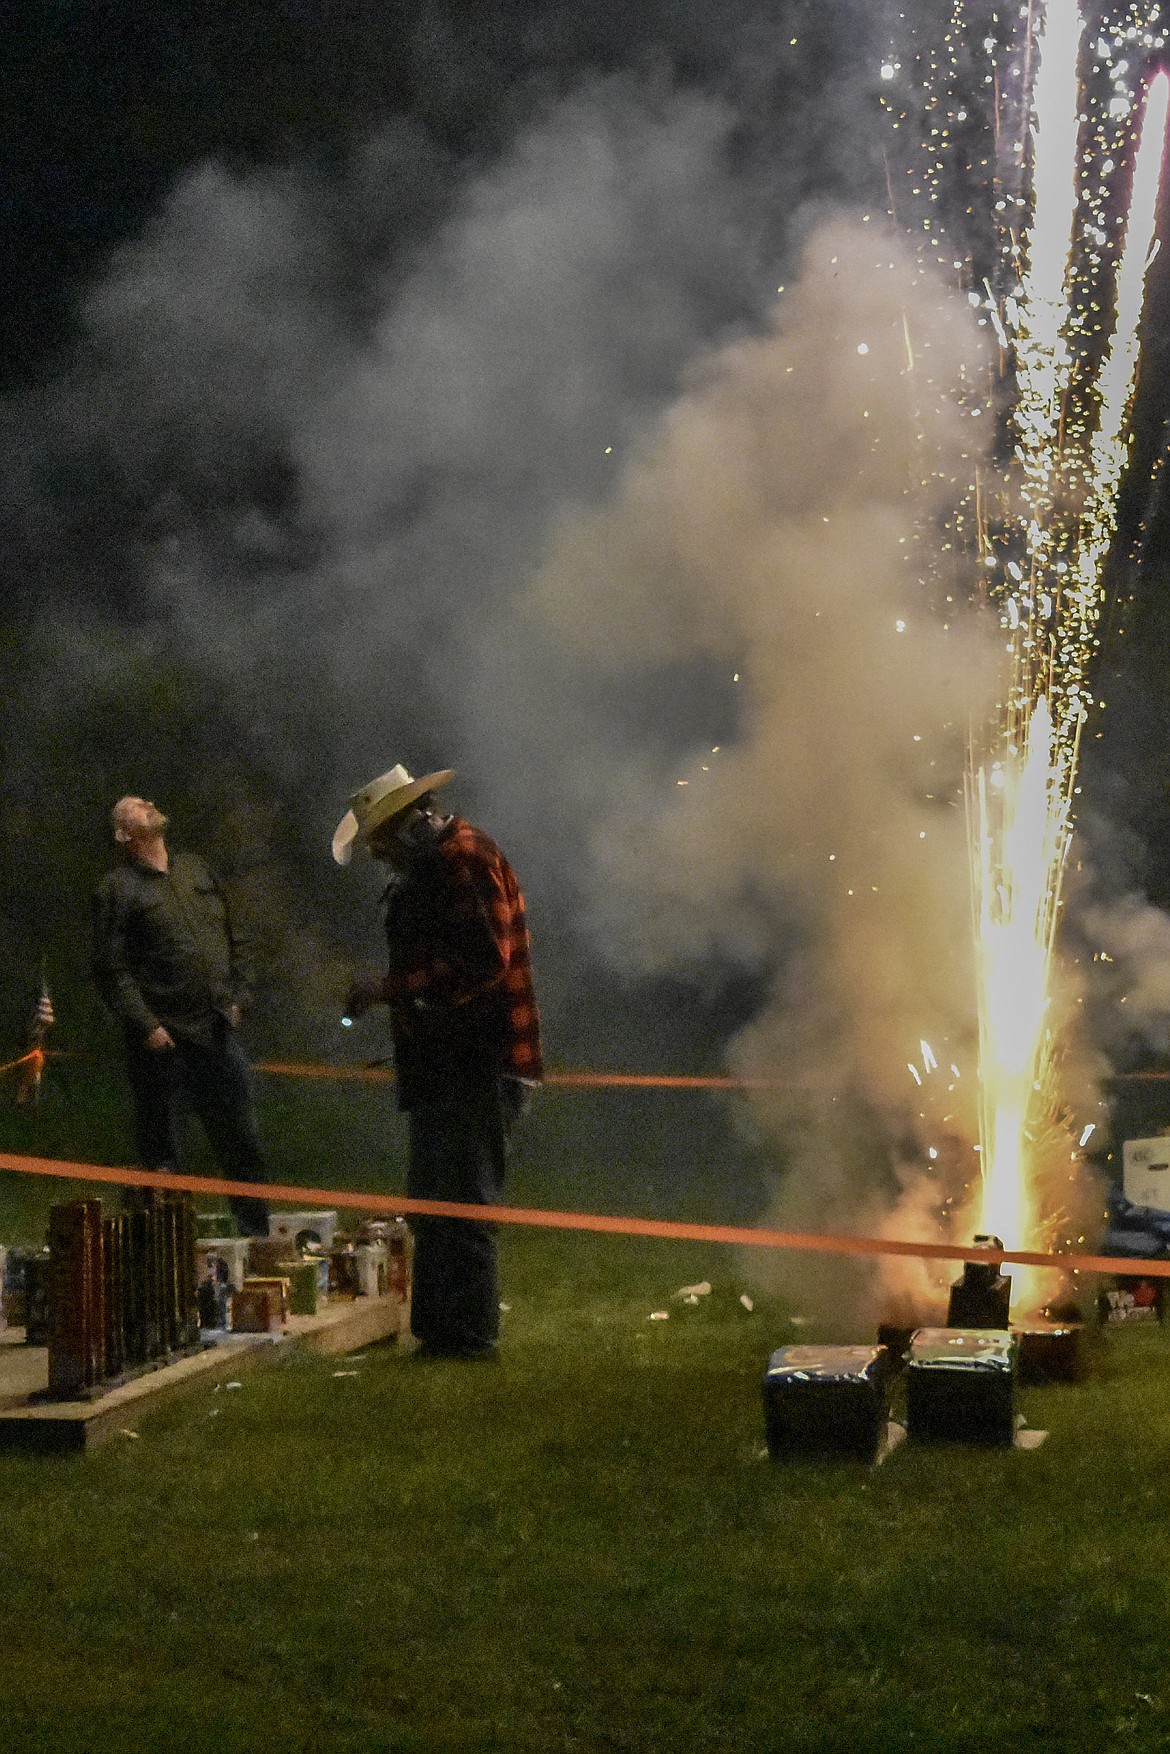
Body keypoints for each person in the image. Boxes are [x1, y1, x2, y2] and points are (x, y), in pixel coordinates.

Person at [336, 764, 542, 1358]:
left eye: (379, 844)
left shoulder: (463, 857)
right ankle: (438, 1333)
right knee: (433, 1202)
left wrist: (388, 990)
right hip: (445, 1061)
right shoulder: (441, 859)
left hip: (476, 1059)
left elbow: (484, 960)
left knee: (465, 1203)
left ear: (403, 827)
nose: (379, 857)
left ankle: (471, 1338)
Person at [93, 796, 270, 1236]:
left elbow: (237, 935)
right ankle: (164, 1265)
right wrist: (147, 1025)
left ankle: (256, 1241)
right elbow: (111, 970)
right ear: (124, 834)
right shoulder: (116, 890)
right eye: (135, 806)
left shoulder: (196, 869)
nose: (148, 803)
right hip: (164, 1043)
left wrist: (240, 997)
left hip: (217, 1032)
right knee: (164, 1159)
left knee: (243, 1145)